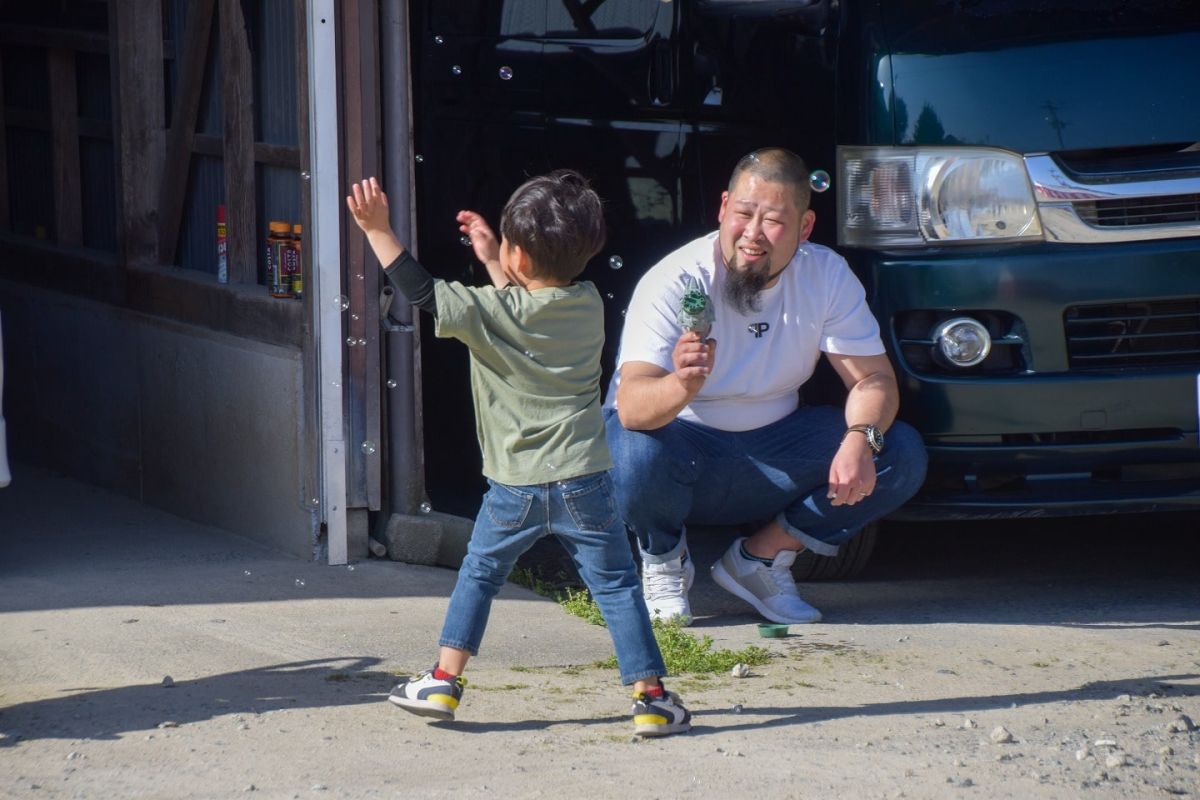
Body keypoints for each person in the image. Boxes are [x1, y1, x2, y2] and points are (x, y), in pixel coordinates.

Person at [346, 170, 691, 737]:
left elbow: (423, 292)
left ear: (519, 259)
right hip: (586, 481)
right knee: (617, 587)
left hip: (514, 486)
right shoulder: (586, 304)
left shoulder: (488, 312)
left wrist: (378, 229)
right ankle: (651, 697)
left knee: (480, 574)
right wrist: (494, 257)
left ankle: (442, 680)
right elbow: (530, 299)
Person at [604, 147, 927, 626]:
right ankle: (664, 559)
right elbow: (631, 407)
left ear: (805, 227)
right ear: (722, 209)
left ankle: (758, 560)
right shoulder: (677, 278)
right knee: (631, 450)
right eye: (743, 214)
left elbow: (874, 379)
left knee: (898, 450)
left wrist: (862, 437)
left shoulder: (826, 274)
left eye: (773, 220)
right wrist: (683, 383)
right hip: (683, 444)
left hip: (777, 447)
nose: (752, 235)